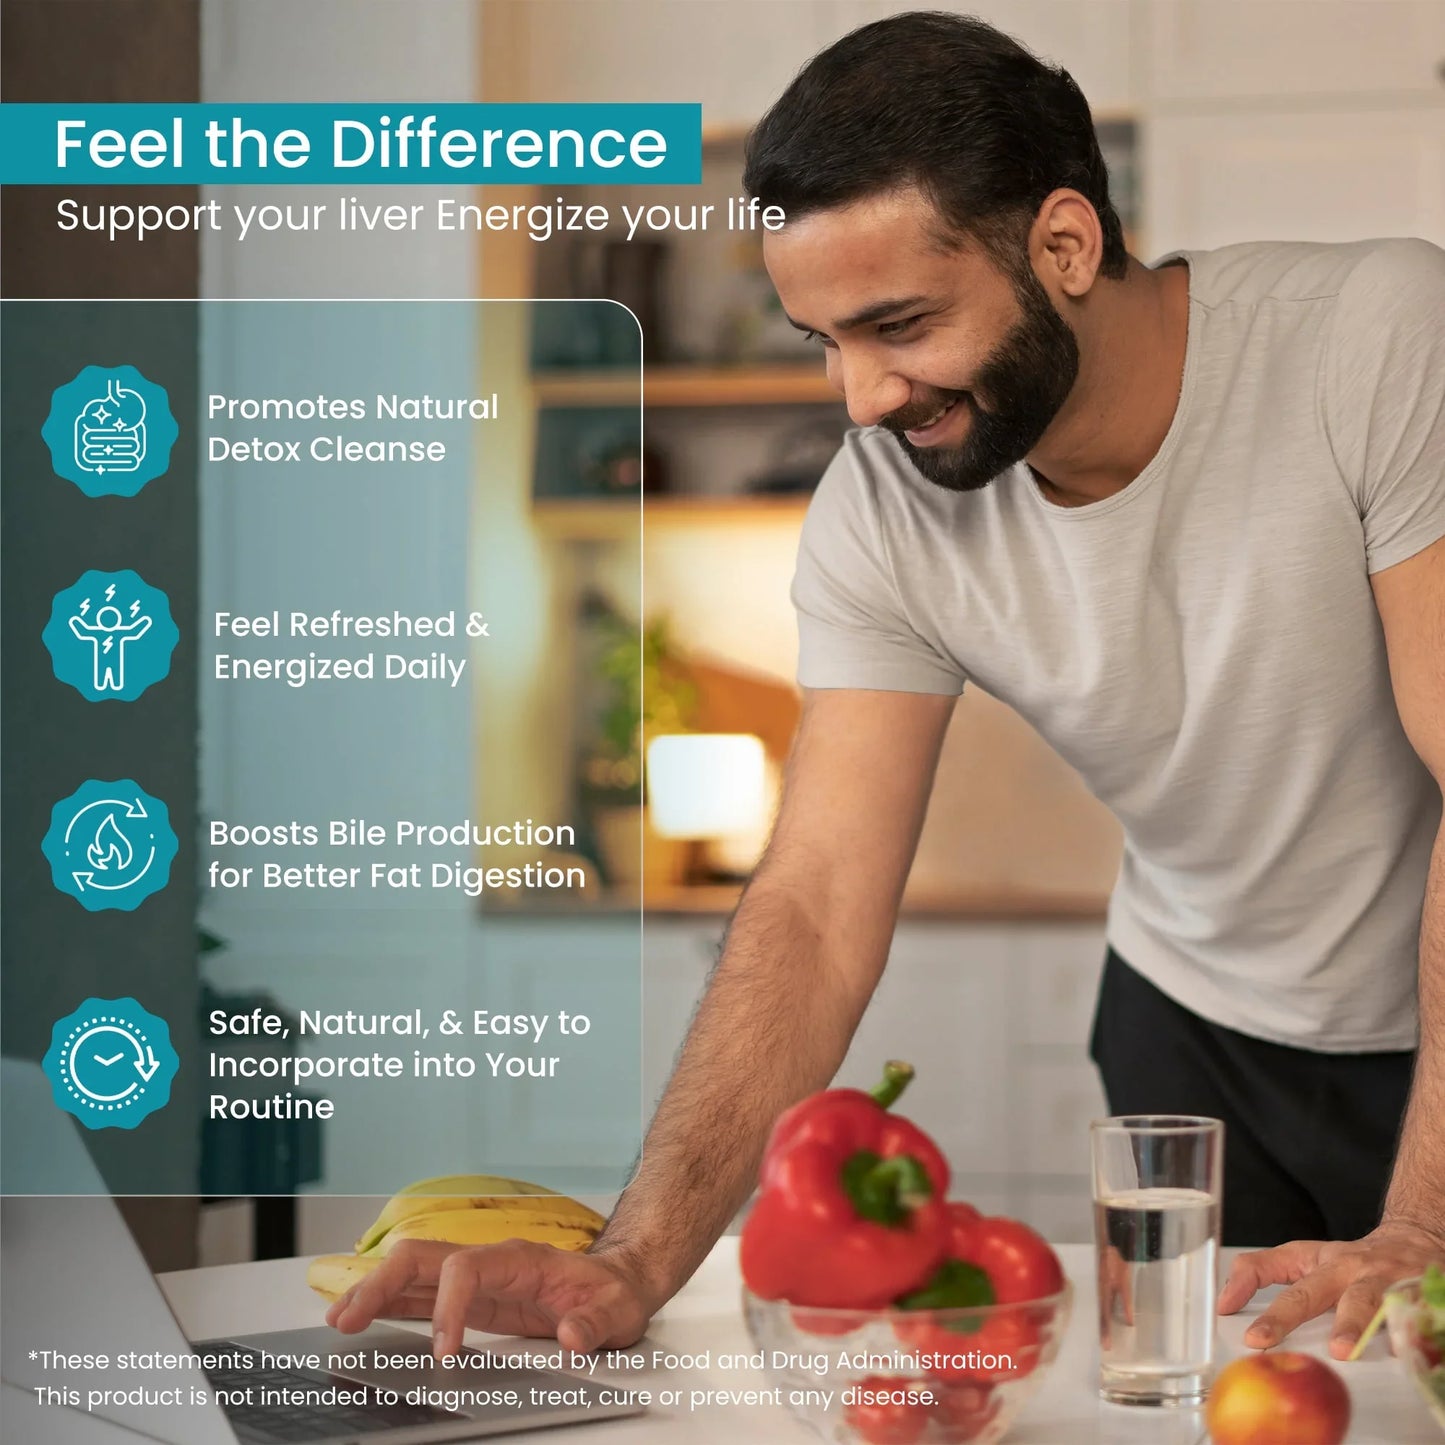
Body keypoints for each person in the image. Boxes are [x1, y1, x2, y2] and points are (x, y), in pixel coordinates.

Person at [332, 11, 1444, 1365]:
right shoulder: (884, 511)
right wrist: (628, 1264)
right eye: (819, 338)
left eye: (897, 324)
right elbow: (810, 902)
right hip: (1186, 1035)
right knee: (1203, 1398)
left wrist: (1423, 1216)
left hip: (1426, 1043)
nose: (858, 398)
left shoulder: (1374, 338)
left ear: (1065, 245)